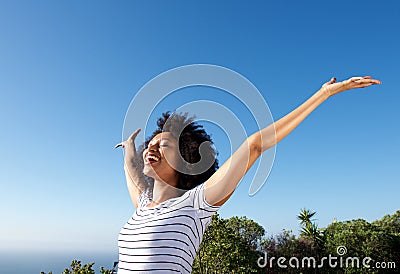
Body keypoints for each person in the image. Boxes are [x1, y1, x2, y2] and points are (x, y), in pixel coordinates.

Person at [115, 76, 381, 273]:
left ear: (186, 160)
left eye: (163, 145)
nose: (151, 148)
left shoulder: (193, 205)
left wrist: (322, 94)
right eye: (150, 145)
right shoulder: (143, 205)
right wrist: (129, 149)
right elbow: (133, 174)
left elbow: (254, 145)